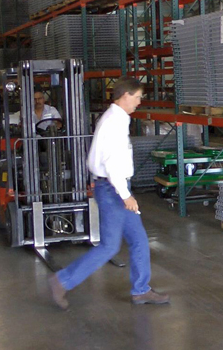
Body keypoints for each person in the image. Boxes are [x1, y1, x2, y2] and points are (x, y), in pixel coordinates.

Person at [48, 76, 170, 310]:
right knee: (109, 247)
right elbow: (112, 163)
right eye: (137, 97)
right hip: (114, 190)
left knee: (139, 240)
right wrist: (125, 195)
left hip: (112, 187)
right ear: (125, 96)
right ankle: (62, 280)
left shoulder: (115, 118)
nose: (139, 102)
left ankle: (141, 290)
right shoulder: (114, 122)